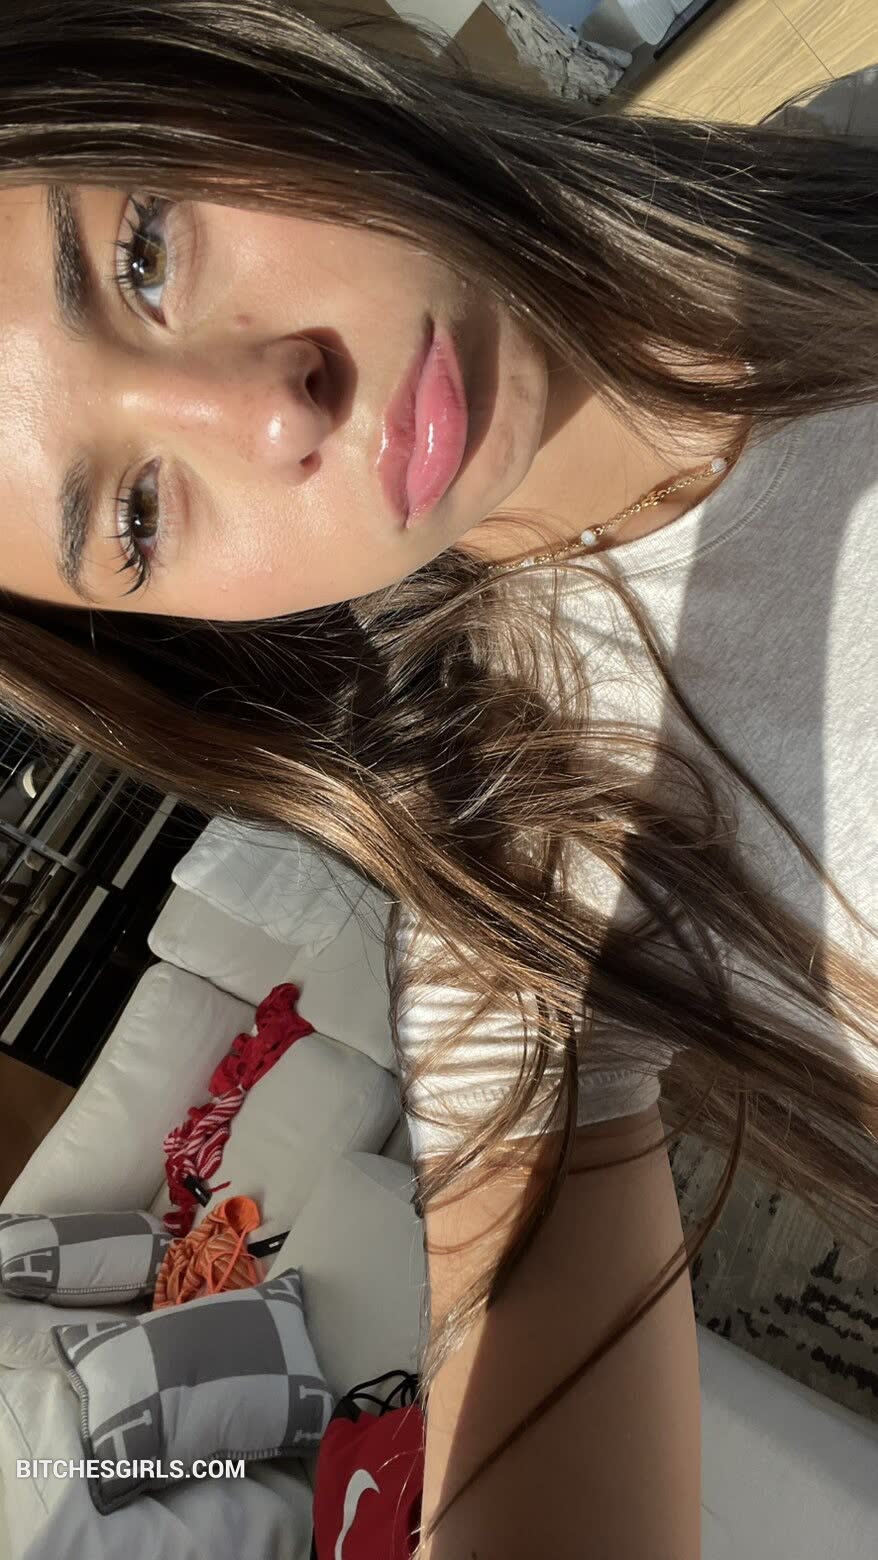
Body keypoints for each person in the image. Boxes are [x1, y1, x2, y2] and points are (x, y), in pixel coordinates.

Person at [0, 3, 875, 1553]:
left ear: (217, 75)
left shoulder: (841, 152)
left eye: (142, 253)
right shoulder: (521, 875)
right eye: (136, 514)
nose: (270, 406)